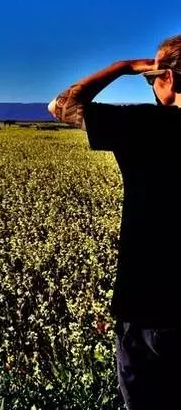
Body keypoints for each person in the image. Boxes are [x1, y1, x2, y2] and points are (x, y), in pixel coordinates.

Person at [48, 34, 181, 409]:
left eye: (152, 76)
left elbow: (60, 105)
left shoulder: (140, 124)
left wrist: (124, 67)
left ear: (167, 78)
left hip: (148, 308)